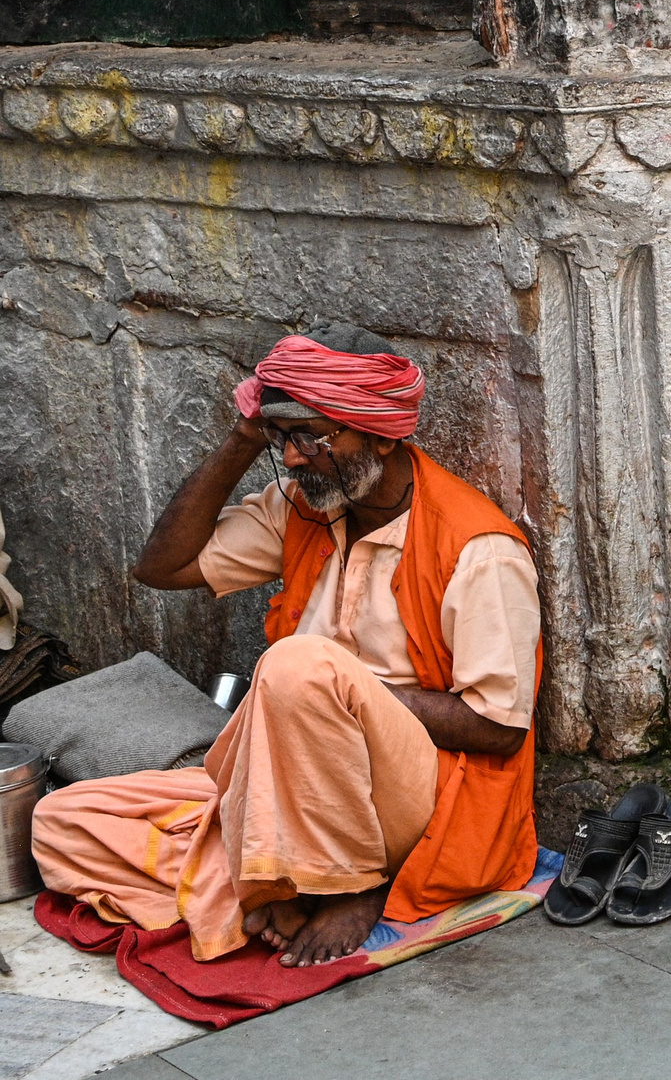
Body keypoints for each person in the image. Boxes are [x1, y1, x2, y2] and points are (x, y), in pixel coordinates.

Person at [32, 324, 543, 968]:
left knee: (299, 665)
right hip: (293, 784)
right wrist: (243, 438)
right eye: (282, 439)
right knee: (62, 819)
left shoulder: (479, 550)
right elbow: (163, 568)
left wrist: (345, 697)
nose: (295, 459)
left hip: (421, 797)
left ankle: (355, 884)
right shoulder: (301, 509)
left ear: (382, 435)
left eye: (312, 437)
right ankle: (280, 889)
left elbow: (499, 728)